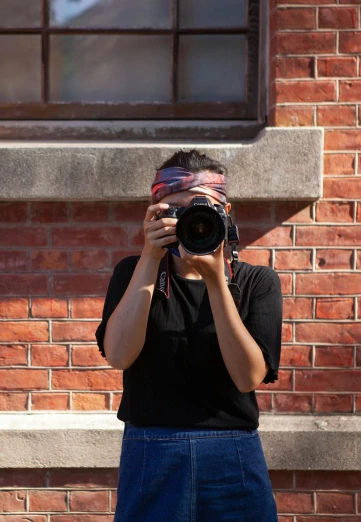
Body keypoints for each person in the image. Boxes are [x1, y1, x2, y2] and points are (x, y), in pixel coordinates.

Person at [95, 150, 282, 521]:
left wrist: (216, 281)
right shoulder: (135, 273)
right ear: (154, 214)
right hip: (152, 448)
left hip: (233, 453)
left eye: (202, 209)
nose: (191, 221)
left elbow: (247, 377)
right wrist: (150, 257)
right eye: (174, 210)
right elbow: (118, 355)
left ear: (225, 215)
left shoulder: (256, 282)